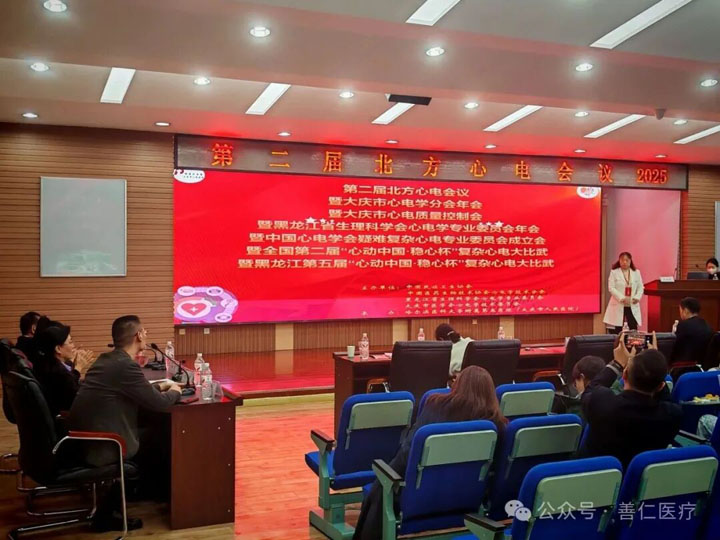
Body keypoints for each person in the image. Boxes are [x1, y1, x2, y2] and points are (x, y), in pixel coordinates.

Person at [353, 366, 507, 540]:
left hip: (420, 500)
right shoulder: (498, 426)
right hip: (466, 500)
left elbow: (406, 454)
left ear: (458, 385)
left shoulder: (435, 406)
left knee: (382, 485)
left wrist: (388, 475)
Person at [68, 315, 182, 531]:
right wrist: (175, 391)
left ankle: (141, 491)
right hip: (102, 444)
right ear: (138, 335)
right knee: (162, 434)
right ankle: (114, 509)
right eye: (144, 331)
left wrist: (159, 387)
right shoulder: (125, 366)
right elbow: (158, 403)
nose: (146, 334)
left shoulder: (108, 359)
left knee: (154, 430)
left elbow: (133, 390)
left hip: (83, 438)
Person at [578, 333, 682, 468]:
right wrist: (654, 362)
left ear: (625, 375)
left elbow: (589, 391)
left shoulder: (603, 404)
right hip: (642, 479)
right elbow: (666, 397)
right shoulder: (672, 415)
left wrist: (617, 364)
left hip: (603, 477)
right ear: (661, 386)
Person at [32, 324, 94, 417]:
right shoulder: (56, 371)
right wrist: (78, 368)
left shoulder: (46, 363)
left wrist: (73, 362)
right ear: (58, 349)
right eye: (70, 342)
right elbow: (74, 395)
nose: (73, 346)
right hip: (67, 417)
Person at [552, 355, 606, 421]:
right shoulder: (614, 400)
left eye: (576, 382)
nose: (576, 386)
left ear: (582, 377)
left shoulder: (576, 411)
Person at [603, 252, 644, 333]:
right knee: (618, 328)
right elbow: (611, 288)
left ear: (630, 261)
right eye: (622, 260)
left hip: (632, 303)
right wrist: (621, 298)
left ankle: (633, 340)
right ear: (619, 261)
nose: (624, 262)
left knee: (633, 326)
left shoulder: (636, 272)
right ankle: (618, 340)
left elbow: (640, 287)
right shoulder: (614, 272)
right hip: (619, 303)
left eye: (626, 260)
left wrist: (637, 297)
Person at [671, 297, 713, 365]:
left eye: (680, 311)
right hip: (704, 365)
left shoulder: (683, 325)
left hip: (684, 366)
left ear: (685, 311)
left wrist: (673, 334)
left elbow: (676, 348)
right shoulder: (707, 325)